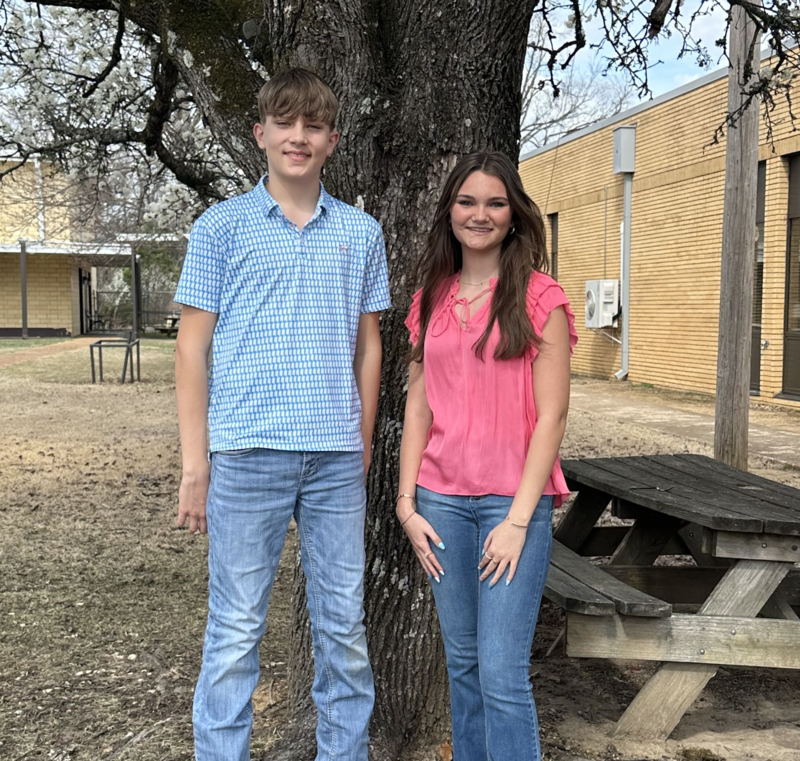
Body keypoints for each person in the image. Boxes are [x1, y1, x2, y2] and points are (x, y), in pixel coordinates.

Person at [173, 68, 390, 761]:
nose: (299, 137)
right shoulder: (222, 227)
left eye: (314, 125)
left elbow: (369, 344)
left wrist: (358, 443)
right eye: (286, 123)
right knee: (235, 633)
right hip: (245, 454)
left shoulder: (360, 231)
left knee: (345, 631)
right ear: (261, 133)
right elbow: (191, 347)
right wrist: (194, 462)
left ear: (332, 140)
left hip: (333, 462)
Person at [397, 151, 577, 761]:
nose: (481, 214)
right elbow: (418, 404)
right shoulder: (431, 298)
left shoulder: (539, 297)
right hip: (441, 507)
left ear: (514, 214)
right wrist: (406, 504)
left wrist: (518, 522)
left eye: (495, 203)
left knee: (502, 677)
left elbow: (552, 415)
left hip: (511, 506)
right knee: (464, 667)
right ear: (449, 211)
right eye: (467, 201)